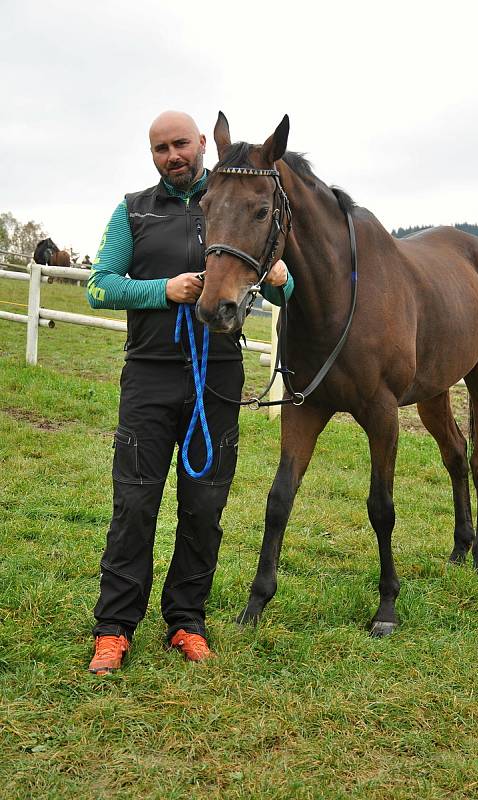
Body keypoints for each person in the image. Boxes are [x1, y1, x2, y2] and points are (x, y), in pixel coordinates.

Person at [86, 111, 293, 673]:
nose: (172, 155)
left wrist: (282, 279)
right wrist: (163, 289)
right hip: (150, 375)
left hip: (217, 378)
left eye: (180, 143)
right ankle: (115, 626)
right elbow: (98, 286)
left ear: (202, 143)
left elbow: (281, 287)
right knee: (135, 502)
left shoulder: (234, 196)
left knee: (205, 506)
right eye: (160, 148)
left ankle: (186, 619)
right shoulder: (133, 210)